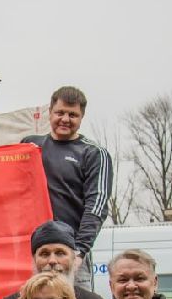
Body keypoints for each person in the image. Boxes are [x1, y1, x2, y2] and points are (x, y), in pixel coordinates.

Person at [22, 86, 112, 288]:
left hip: (71, 253)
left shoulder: (94, 153)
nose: (65, 119)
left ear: (82, 117)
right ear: (50, 112)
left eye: (72, 115)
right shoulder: (30, 146)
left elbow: (96, 206)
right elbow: (1, 178)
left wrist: (79, 251)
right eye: (60, 113)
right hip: (32, 254)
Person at [1, 220, 107, 299]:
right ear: (34, 260)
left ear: (74, 259)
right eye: (44, 254)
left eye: (60, 253)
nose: (52, 261)